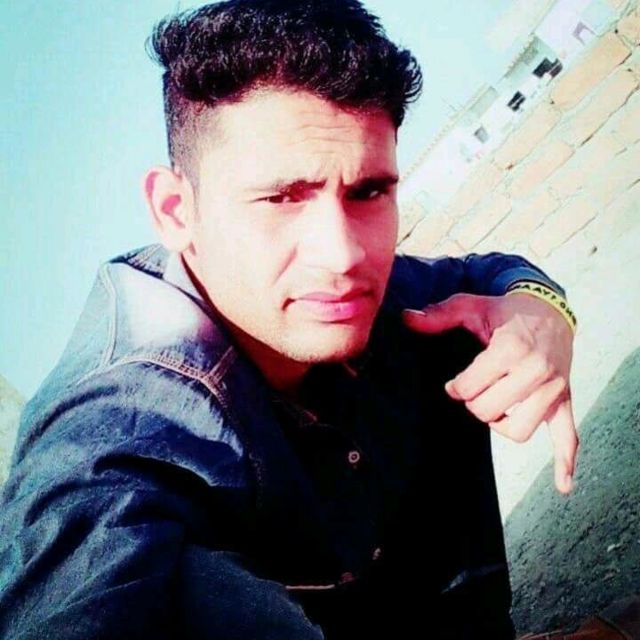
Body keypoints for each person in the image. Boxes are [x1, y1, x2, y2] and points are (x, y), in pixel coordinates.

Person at [0, 1, 579, 638]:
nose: (343, 255)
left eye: (369, 192)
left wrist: (539, 311)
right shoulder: (119, 425)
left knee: (449, 331)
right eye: (280, 198)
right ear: (176, 212)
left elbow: (481, 276)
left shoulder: (346, 292)